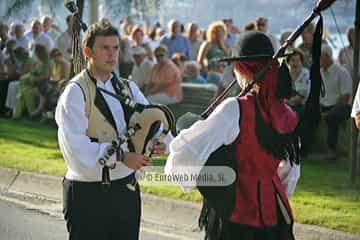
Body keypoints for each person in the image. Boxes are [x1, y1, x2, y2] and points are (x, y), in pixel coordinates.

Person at [165, 31, 298, 240]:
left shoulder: (235, 108)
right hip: (276, 215)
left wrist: (184, 172)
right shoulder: (287, 114)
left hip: (237, 215)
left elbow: (186, 151)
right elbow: (291, 172)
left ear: (241, 68)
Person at [55, 21, 168, 240]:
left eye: (115, 48)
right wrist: (123, 156)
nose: (112, 54)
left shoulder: (128, 87)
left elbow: (151, 120)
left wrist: (156, 142)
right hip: (88, 195)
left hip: (126, 190)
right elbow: (76, 151)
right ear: (88, 52)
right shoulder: (75, 93)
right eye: (105, 48)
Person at [320, 44, 352, 160]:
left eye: (319, 57)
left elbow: (345, 97)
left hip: (342, 106)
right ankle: (304, 149)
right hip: (324, 105)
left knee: (332, 117)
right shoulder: (319, 73)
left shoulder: (341, 72)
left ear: (327, 56)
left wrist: (328, 113)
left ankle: (332, 150)